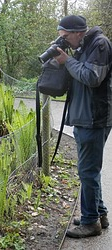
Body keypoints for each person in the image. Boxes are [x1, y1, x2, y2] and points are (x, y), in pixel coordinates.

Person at [54, 15, 112, 238]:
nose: (65, 41)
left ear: (78, 32)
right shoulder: (83, 46)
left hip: (94, 118)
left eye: (66, 37)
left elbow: (91, 77)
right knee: (89, 171)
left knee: (87, 171)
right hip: (84, 117)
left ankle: (90, 223)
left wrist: (67, 61)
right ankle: (99, 214)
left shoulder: (100, 44)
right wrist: (64, 60)